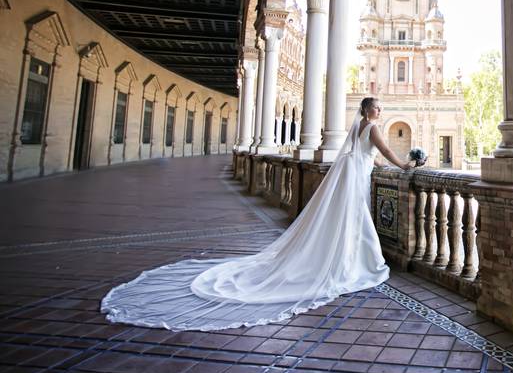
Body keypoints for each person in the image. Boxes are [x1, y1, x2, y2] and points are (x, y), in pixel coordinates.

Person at [101, 97, 416, 331]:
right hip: (353, 176)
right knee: (354, 218)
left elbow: (367, 156)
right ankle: (354, 262)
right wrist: (404, 166)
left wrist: (381, 163)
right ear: (368, 110)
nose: (380, 111)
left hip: (352, 172)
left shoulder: (359, 127)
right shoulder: (373, 127)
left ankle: (348, 257)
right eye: (377, 107)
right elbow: (384, 152)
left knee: (349, 217)